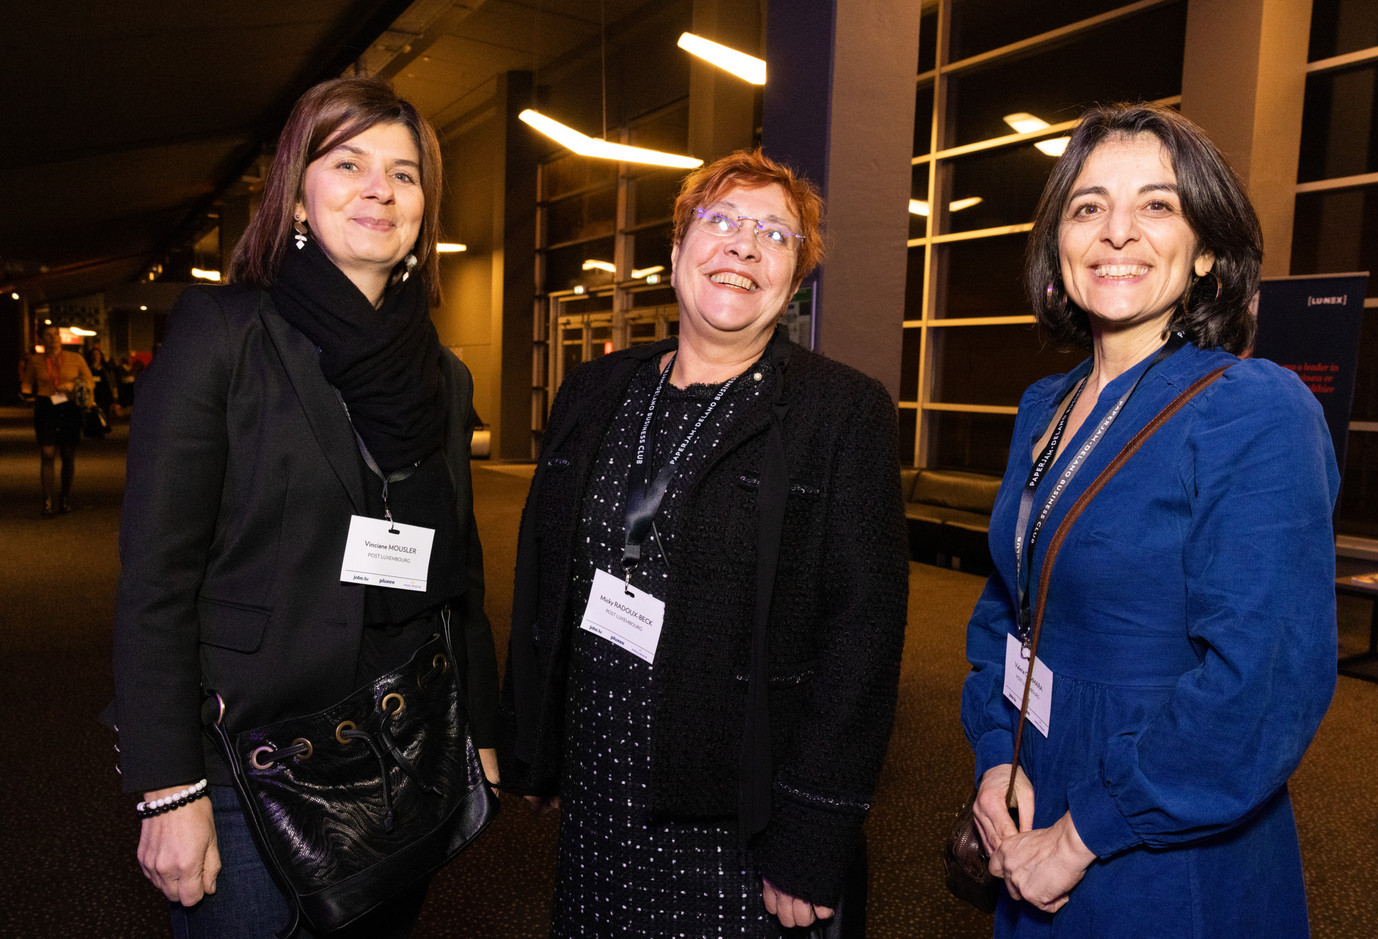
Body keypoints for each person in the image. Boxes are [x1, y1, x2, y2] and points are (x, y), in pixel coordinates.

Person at [111, 77, 499, 938]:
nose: (379, 188)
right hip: (247, 765)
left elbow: (457, 574)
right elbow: (156, 579)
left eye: (404, 174)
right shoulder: (223, 333)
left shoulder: (443, 377)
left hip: (402, 757)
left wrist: (481, 730)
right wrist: (167, 784)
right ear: (296, 191)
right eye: (349, 161)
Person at [498, 149, 909, 937]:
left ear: (794, 279)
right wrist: (536, 734)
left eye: (775, 236)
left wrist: (814, 835)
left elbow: (863, 639)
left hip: (740, 820)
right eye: (720, 221)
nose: (743, 246)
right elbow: (548, 569)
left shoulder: (840, 413)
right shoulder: (597, 388)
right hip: (599, 788)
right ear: (679, 247)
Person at [960, 103, 1339, 937]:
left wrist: (1085, 831)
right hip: (1035, 796)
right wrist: (996, 757)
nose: (1118, 231)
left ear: (1206, 250)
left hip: (1167, 835)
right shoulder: (1045, 409)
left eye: (1157, 205)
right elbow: (1009, 607)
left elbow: (1264, 683)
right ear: (1058, 244)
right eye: (1088, 206)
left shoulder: (1254, 409)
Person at [19, 323, 93, 516]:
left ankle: (65, 497)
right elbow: (27, 382)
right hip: (46, 407)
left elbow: (89, 380)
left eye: (55, 334)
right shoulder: (35, 361)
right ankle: (47, 500)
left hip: (69, 407)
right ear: (42, 339)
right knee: (47, 453)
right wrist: (26, 394)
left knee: (68, 455)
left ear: (60, 338)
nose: (53, 338)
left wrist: (72, 384)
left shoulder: (75, 358)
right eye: (48, 335)